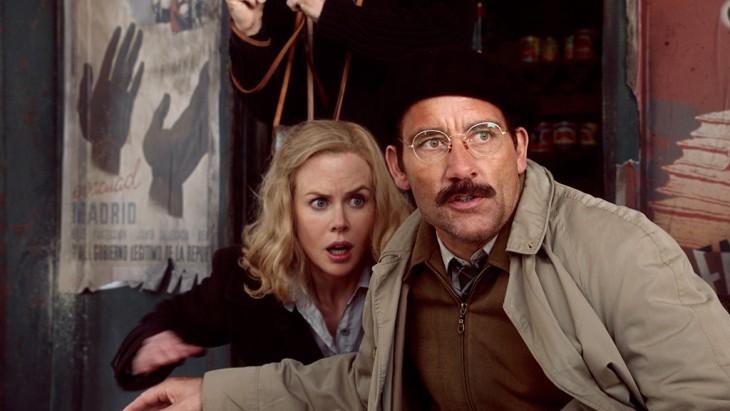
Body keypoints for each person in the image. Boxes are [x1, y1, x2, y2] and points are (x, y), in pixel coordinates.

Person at [124, 47, 730, 410]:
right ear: (399, 168)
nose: (461, 167)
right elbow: (366, 384)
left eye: (483, 136)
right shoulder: (402, 263)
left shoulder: (619, 248)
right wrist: (215, 396)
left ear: (519, 150)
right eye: (431, 142)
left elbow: (708, 397)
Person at [112, 119, 411, 390]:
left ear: (378, 205)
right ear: (288, 209)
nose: (339, 222)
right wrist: (150, 345)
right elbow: (166, 321)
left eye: (356, 200)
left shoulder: (410, 278)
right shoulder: (244, 280)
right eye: (319, 202)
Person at [224, 0, 477, 147]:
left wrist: (327, 11)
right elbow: (274, 109)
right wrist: (251, 30)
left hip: (404, 177)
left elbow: (443, 42)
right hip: (321, 184)